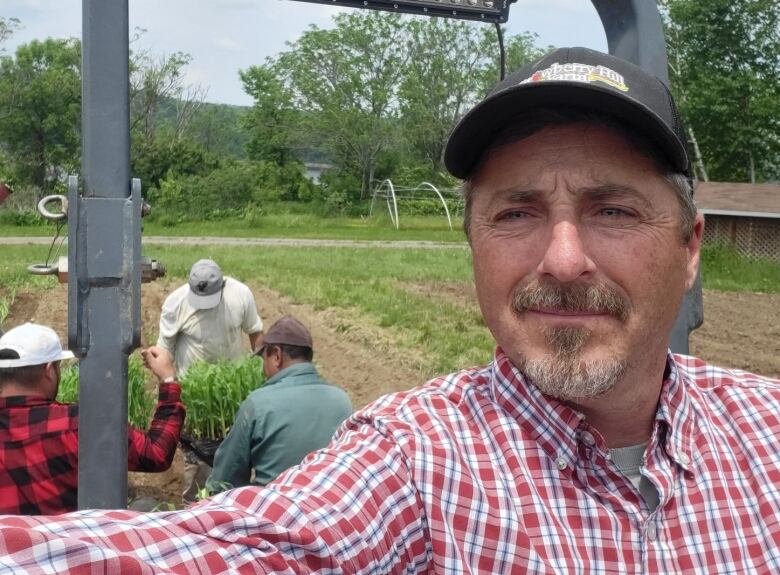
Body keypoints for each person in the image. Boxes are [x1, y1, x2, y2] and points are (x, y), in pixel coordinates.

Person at [0, 47, 778, 573]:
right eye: (515, 213)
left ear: (690, 245)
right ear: (473, 244)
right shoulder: (414, 459)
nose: (563, 258)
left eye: (613, 209)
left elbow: (246, 333)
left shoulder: (767, 430)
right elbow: (245, 543)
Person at [0, 323, 184, 515]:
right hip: (68, 543)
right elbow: (156, 454)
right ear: (48, 370)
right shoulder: (77, 424)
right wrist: (168, 379)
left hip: (8, 543)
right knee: (146, 505)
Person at [157, 258, 264, 502]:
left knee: (237, 457)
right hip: (196, 400)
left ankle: (234, 504)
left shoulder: (240, 295)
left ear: (223, 286)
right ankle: (193, 506)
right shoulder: (176, 303)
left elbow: (256, 334)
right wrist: (167, 392)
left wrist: (257, 373)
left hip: (232, 397)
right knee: (196, 460)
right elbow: (165, 351)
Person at [207, 315, 352, 492]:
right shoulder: (342, 401)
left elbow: (225, 481)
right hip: (329, 509)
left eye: (263, 359)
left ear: (277, 355)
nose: (263, 369)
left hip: (278, 513)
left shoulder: (258, 404)